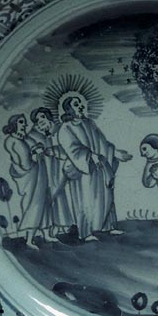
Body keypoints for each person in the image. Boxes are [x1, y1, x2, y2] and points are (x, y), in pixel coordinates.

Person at [57, 95, 132, 242]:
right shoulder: (65, 128)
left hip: (99, 166)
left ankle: (108, 226)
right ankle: (85, 233)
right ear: (69, 109)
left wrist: (114, 152)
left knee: (106, 195)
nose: (81, 106)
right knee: (86, 200)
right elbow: (72, 149)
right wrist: (90, 155)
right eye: (76, 104)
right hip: (83, 169)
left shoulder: (89, 123)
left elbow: (102, 142)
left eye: (80, 103)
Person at [27, 107, 73, 239]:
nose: (40, 121)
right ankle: (46, 231)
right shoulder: (34, 134)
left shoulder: (58, 130)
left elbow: (66, 147)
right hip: (44, 172)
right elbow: (31, 148)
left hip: (58, 170)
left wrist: (55, 151)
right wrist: (37, 151)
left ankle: (61, 227)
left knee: (59, 196)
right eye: (37, 120)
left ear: (48, 117)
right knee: (47, 198)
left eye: (42, 117)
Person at [2, 114, 46, 246]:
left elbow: (35, 146)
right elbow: (20, 162)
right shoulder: (12, 141)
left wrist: (37, 150)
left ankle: (35, 235)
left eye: (24, 122)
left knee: (36, 203)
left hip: (35, 173)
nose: (25, 125)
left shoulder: (23, 138)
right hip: (27, 176)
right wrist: (32, 159)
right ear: (14, 125)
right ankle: (29, 239)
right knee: (31, 204)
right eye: (21, 122)